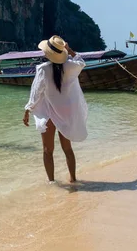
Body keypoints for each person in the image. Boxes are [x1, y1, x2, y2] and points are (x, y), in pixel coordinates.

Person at [23, 35, 88, 183]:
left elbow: (36, 92)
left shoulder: (43, 69)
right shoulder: (71, 66)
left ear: (48, 53)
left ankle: (51, 182)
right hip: (65, 112)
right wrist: (69, 50)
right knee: (67, 149)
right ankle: (73, 179)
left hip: (49, 113)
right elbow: (81, 62)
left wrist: (28, 110)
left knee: (47, 150)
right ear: (62, 52)